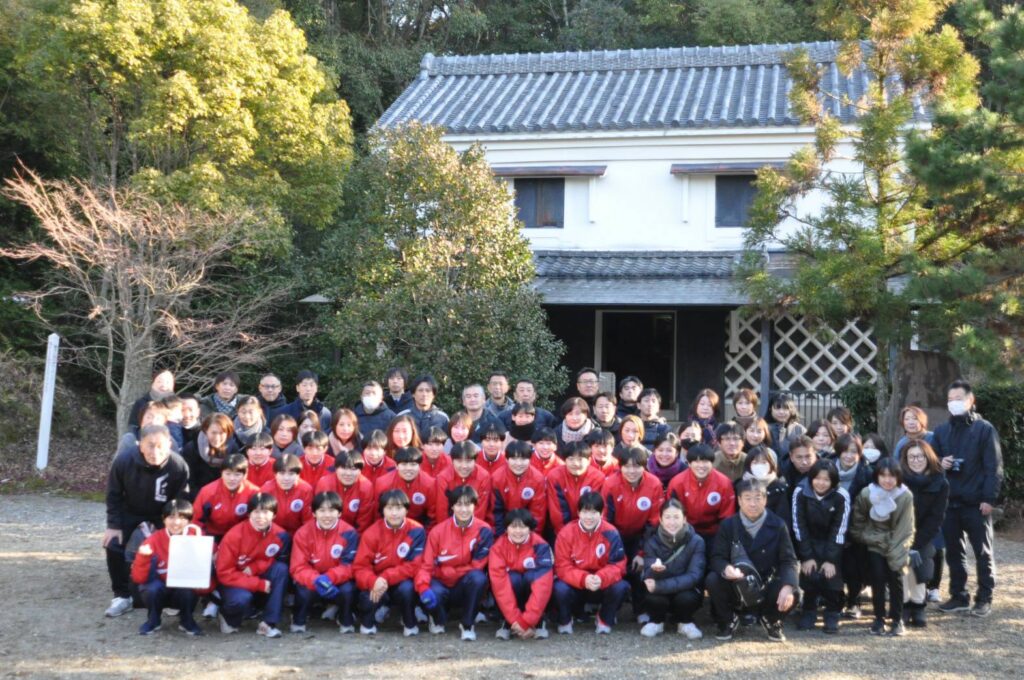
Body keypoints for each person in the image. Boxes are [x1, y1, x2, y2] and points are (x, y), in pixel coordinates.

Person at [104, 424, 191, 618]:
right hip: (130, 510)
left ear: (169, 444)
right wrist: (113, 525)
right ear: (139, 445)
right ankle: (122, 595)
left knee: (175, 545)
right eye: (150, 445)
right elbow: (113, 495)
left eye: (160, 445)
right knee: (113, 544)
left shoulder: (178, 465)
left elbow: (181, 502)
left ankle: (172, 594)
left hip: (163, 513)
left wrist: (176, 524)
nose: (155, 451)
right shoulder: (124, 461)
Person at [933, 380, 1003, 617]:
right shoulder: (942, 431)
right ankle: (958, 595)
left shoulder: (985, 429)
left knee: (983, 552)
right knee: (954, 552)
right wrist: (941, 463)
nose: (953, 403)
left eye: (958, 398)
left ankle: (984, 598)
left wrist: (989, 498)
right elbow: (931, 461)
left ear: (971, 400)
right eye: (950, 399)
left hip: (976, 503)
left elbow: (993, 467)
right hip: (950, 502)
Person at [707, 479, 800, 642]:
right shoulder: (728, 525)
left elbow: (789, 560)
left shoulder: (778, 524)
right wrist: (726, 568)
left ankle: (771, 619)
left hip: (766, 583)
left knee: (792, 589)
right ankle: (728, 620)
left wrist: (788, 585)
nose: (753, 503)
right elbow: (717, 557)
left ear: (765, 499)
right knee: (713, 579)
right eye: (748, 498)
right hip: (737, 583)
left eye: (758, 498)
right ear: (739, 500)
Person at [415, 486, 494, 640]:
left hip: (463, 584)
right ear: (452, 506)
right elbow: (426, 565)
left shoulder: (484, 530)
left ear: (475, 506)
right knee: (432, 592)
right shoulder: (437, 531)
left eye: (468, 504)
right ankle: (437, 617)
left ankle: (467, 624)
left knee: (479, 578)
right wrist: (423, 587)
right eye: (459, 505)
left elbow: (478, 565)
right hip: (441, 583)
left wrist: (450, 572)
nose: (463, 509)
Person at [851, 458, 914, 636]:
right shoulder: (866, 493)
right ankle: (879, 618)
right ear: (876, 476)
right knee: (877, 578)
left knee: (896, 579)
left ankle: (897, 619)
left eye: (892, 476)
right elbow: (858, 520)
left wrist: (896, 550)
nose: (887, 480)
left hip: (898, 542)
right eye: (883, 476)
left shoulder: (905, 496)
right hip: (874, 542)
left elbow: (906, 526)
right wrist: (866, 537)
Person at [214, 492, 292, 638]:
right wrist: (258, 584)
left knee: (281, 569)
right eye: (256, 512)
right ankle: (227, 615)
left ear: (274, 515)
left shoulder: (281, 535)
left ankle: (269, 623)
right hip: (233, 580)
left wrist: (256, 567)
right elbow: (224, 573)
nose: (260, 517)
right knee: (241, 599)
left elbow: (278, 561)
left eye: (265, 512)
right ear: (249, 513)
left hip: (257, 574)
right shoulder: (234, 536)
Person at [353, 489, 427, 636]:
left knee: (407, 589)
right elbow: (360, 567)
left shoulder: (417, 530)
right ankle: (369, 621)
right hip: (377, 583)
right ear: (382, 510)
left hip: (401, 580)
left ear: (406, 509)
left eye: (399, 508)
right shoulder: (371, 533)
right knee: (368, 596)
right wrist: (372, 581)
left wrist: (385, 577)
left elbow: (414, 565)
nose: (394, 513)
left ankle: (409, 621)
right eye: (389, 508)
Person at [553, 491, 628, 634]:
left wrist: (601, 577)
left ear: (601, 513)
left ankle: (604, 618)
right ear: (578, 513)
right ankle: (565, 619)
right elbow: (562, 567)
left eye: (594, 512)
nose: (589, 517)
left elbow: (618, 565)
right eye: (585, 512)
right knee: (559, 588)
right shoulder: (566, 533)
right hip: (576, 584)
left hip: (600, 582)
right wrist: (583, 578)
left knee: (621, 587)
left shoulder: (611, 532)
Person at [601, 445, 664, 615]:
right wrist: (615, 547)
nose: (631, 471)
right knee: (615, 568)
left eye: (636, 466)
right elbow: (606, 519)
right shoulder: (610, 483)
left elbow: (654, 522)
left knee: (640, 569)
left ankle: (641, 611)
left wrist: (642, 552)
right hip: (616, 534)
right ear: (619, 466)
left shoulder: (654, 484)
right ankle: (610, 611)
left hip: (642, 534)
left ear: (644, 466)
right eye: (626, 466)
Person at [130, 498, 206, 636]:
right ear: (163, 519)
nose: (176, 522)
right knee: (150, 589)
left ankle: (186, 620)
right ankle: (153, 619)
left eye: (182, 518)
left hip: (183, 589)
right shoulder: (152, 540)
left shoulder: (197, 538)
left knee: (190, 587)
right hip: (160, 589)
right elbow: (138, 578)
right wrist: (143, 557)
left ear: (189, 520)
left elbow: (204, 573)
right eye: (171, 517)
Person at [792, 460, 850, 634]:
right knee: (809, 575)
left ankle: (832, 612)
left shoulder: (841, 496)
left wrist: (831, 559)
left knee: (831, 577)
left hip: (833, 543)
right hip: (808, 541)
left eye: (826, 479)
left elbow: (839, 529)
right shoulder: (800, 492)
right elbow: (798, 526)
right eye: (817, 478)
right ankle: (809, 610)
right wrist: (807, 556)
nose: (821, 483)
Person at [290, 491, 359, 633]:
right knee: (303, 590)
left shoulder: (349, 532)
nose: (327, 515)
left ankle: (345, 619)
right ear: (314, 513)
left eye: (332, 510)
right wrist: (316, 580)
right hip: (313, 579)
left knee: (348, 589)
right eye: (322, 510)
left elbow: (349, 565)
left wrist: (329, 578)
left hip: (336, 579)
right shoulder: (303, 533)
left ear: (339, 513)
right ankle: (298, 619)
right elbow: (298, 567)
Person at [639, 499, 706, 639]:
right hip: (661, 590)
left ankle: (685, 622)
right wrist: (653, 570)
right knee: (653, 596)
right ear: (661, 520)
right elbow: (648, 574)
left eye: (676, 517)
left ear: (684, 519)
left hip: (685, 589)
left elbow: (694, 576)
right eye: (668, 517)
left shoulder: (696, 541)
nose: (672, 522)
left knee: (687, 598)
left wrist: (660, 586)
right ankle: (656, 621)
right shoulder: (651, 541)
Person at [900, 440, 949, 628]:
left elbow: (937, 517)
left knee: (922, 559)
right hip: (901, 533)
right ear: (905, 459)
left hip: (925, 534)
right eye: (911, 456)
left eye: (920, 456)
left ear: (928, 457)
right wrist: (904, 541)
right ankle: (904, 604)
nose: (916, 460)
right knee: (902, 562)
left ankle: (919, 604)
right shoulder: (898, 479)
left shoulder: (940, 482)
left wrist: (916, 542)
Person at [489, 509, 554, 640]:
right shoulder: (497, 548)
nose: (518, 531)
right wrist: (515, 620)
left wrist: (527, 621)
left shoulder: (541, 546)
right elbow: (500, 586)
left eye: (523, 527)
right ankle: (507, 623)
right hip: (511, 595)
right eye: (513, 527)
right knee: (512, 578)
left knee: (532, 577)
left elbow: (543, 586)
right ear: (506, 529)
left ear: (530, 529)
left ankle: (538, 622)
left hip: (532, 595)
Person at [667, 443, 735, 555]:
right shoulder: (677, 482)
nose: (701, 466)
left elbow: (727, 516)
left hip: (714, 533)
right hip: (685, 532)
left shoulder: (724, 483)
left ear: (712, 463)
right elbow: (671, 512)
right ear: (689, 463)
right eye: (696, 462)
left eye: (705, 461)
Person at [832, 432, 872, 618]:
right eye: (845, 451)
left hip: (857, 528)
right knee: (834, 565)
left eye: (854, 451)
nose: (849, 456)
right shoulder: (827, 469)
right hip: (831, 527)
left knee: (855, 566)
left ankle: (854, 601)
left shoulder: (867, 473)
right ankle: (836, 599)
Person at [193, 453, 260, 541]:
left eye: (237, 475)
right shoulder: (208, 492)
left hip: (241, 536)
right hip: (212, 536)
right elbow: (196, 521)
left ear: (245, 474)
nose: (231, 479)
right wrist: (208, 544)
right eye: (227, 474)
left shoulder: (254, 492)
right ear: (221, 473)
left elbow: (258, 522)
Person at [547, 441, 607, 534]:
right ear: (565, 460)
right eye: (571, 459)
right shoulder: (555, 476)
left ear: (589, 460)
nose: (575, 463)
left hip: (590, 529)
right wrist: (566, 534)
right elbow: (557, 512)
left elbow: (597, 509)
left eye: (580, 459)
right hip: (563, 531)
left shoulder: (598, 478)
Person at [492, 440, 548, 535]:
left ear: (530, 459)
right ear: (506, 459)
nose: (518, 463)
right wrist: (500, 535)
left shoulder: (537, 479)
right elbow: (496, 511)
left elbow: (538, 513)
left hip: (527, 528)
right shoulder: (497, 478)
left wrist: (531, 536)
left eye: (523, 459)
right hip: (504, 527)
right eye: (514, 459)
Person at [374, 447, 438, 528]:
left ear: (420, 466)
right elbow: (378, 514)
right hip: (390, 526)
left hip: (418, 528)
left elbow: (432, 516)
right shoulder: (382, 483)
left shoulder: (430, 484)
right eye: (404, 464)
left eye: (413, 464)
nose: (408, 469)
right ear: (396, 466)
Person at [315, 450, 376, 533]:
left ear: (360, 470)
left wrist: (352, 538)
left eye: (353, 469)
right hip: (327, 531)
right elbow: (319, 515)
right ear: (336, 468)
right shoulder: (325, 484)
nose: (348, 473)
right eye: (343, 468)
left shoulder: (366, 487)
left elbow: (363, 522)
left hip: (352, 535)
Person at [184, 412, 239, 493]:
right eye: (213, 433)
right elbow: (189, 481)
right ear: (206, 431)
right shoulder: (192, 448)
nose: (217, 438)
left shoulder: (234, 450)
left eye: (221, 433)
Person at [260, 454, 313, 535]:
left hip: (298, 534)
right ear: (275, 474)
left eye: (291, 474)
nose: (286, 478)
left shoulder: (305, 490)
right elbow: (262, 519)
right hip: (273, 535)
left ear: (298, 475)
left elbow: (308, 521)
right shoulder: (266, 490)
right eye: (282, 473)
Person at [741, 446, 789, 523]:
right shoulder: (739, 486)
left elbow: (783, 518)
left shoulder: (780, 489)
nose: (759, 466)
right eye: (755, 462)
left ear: (771, 465)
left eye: (763, 462)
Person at [399, 374, 449, 440]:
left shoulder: (443, 418)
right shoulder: (403, 416)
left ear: (433, 395)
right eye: (420, 390)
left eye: (428, 391)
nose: (424, 394)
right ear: (413, 394)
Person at [128, 369, 176, 434]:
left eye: (167, 382)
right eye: (159, 381)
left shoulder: (178, 405)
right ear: (153, 383)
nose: (163, 385)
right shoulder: (141, 403)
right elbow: (133, 427)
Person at [767, 393, 806, 461]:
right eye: (777, 408)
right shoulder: (764, 428)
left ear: (791, 410)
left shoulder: (800, 429)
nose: (781, 412)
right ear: (770, 409)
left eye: (785, 409)